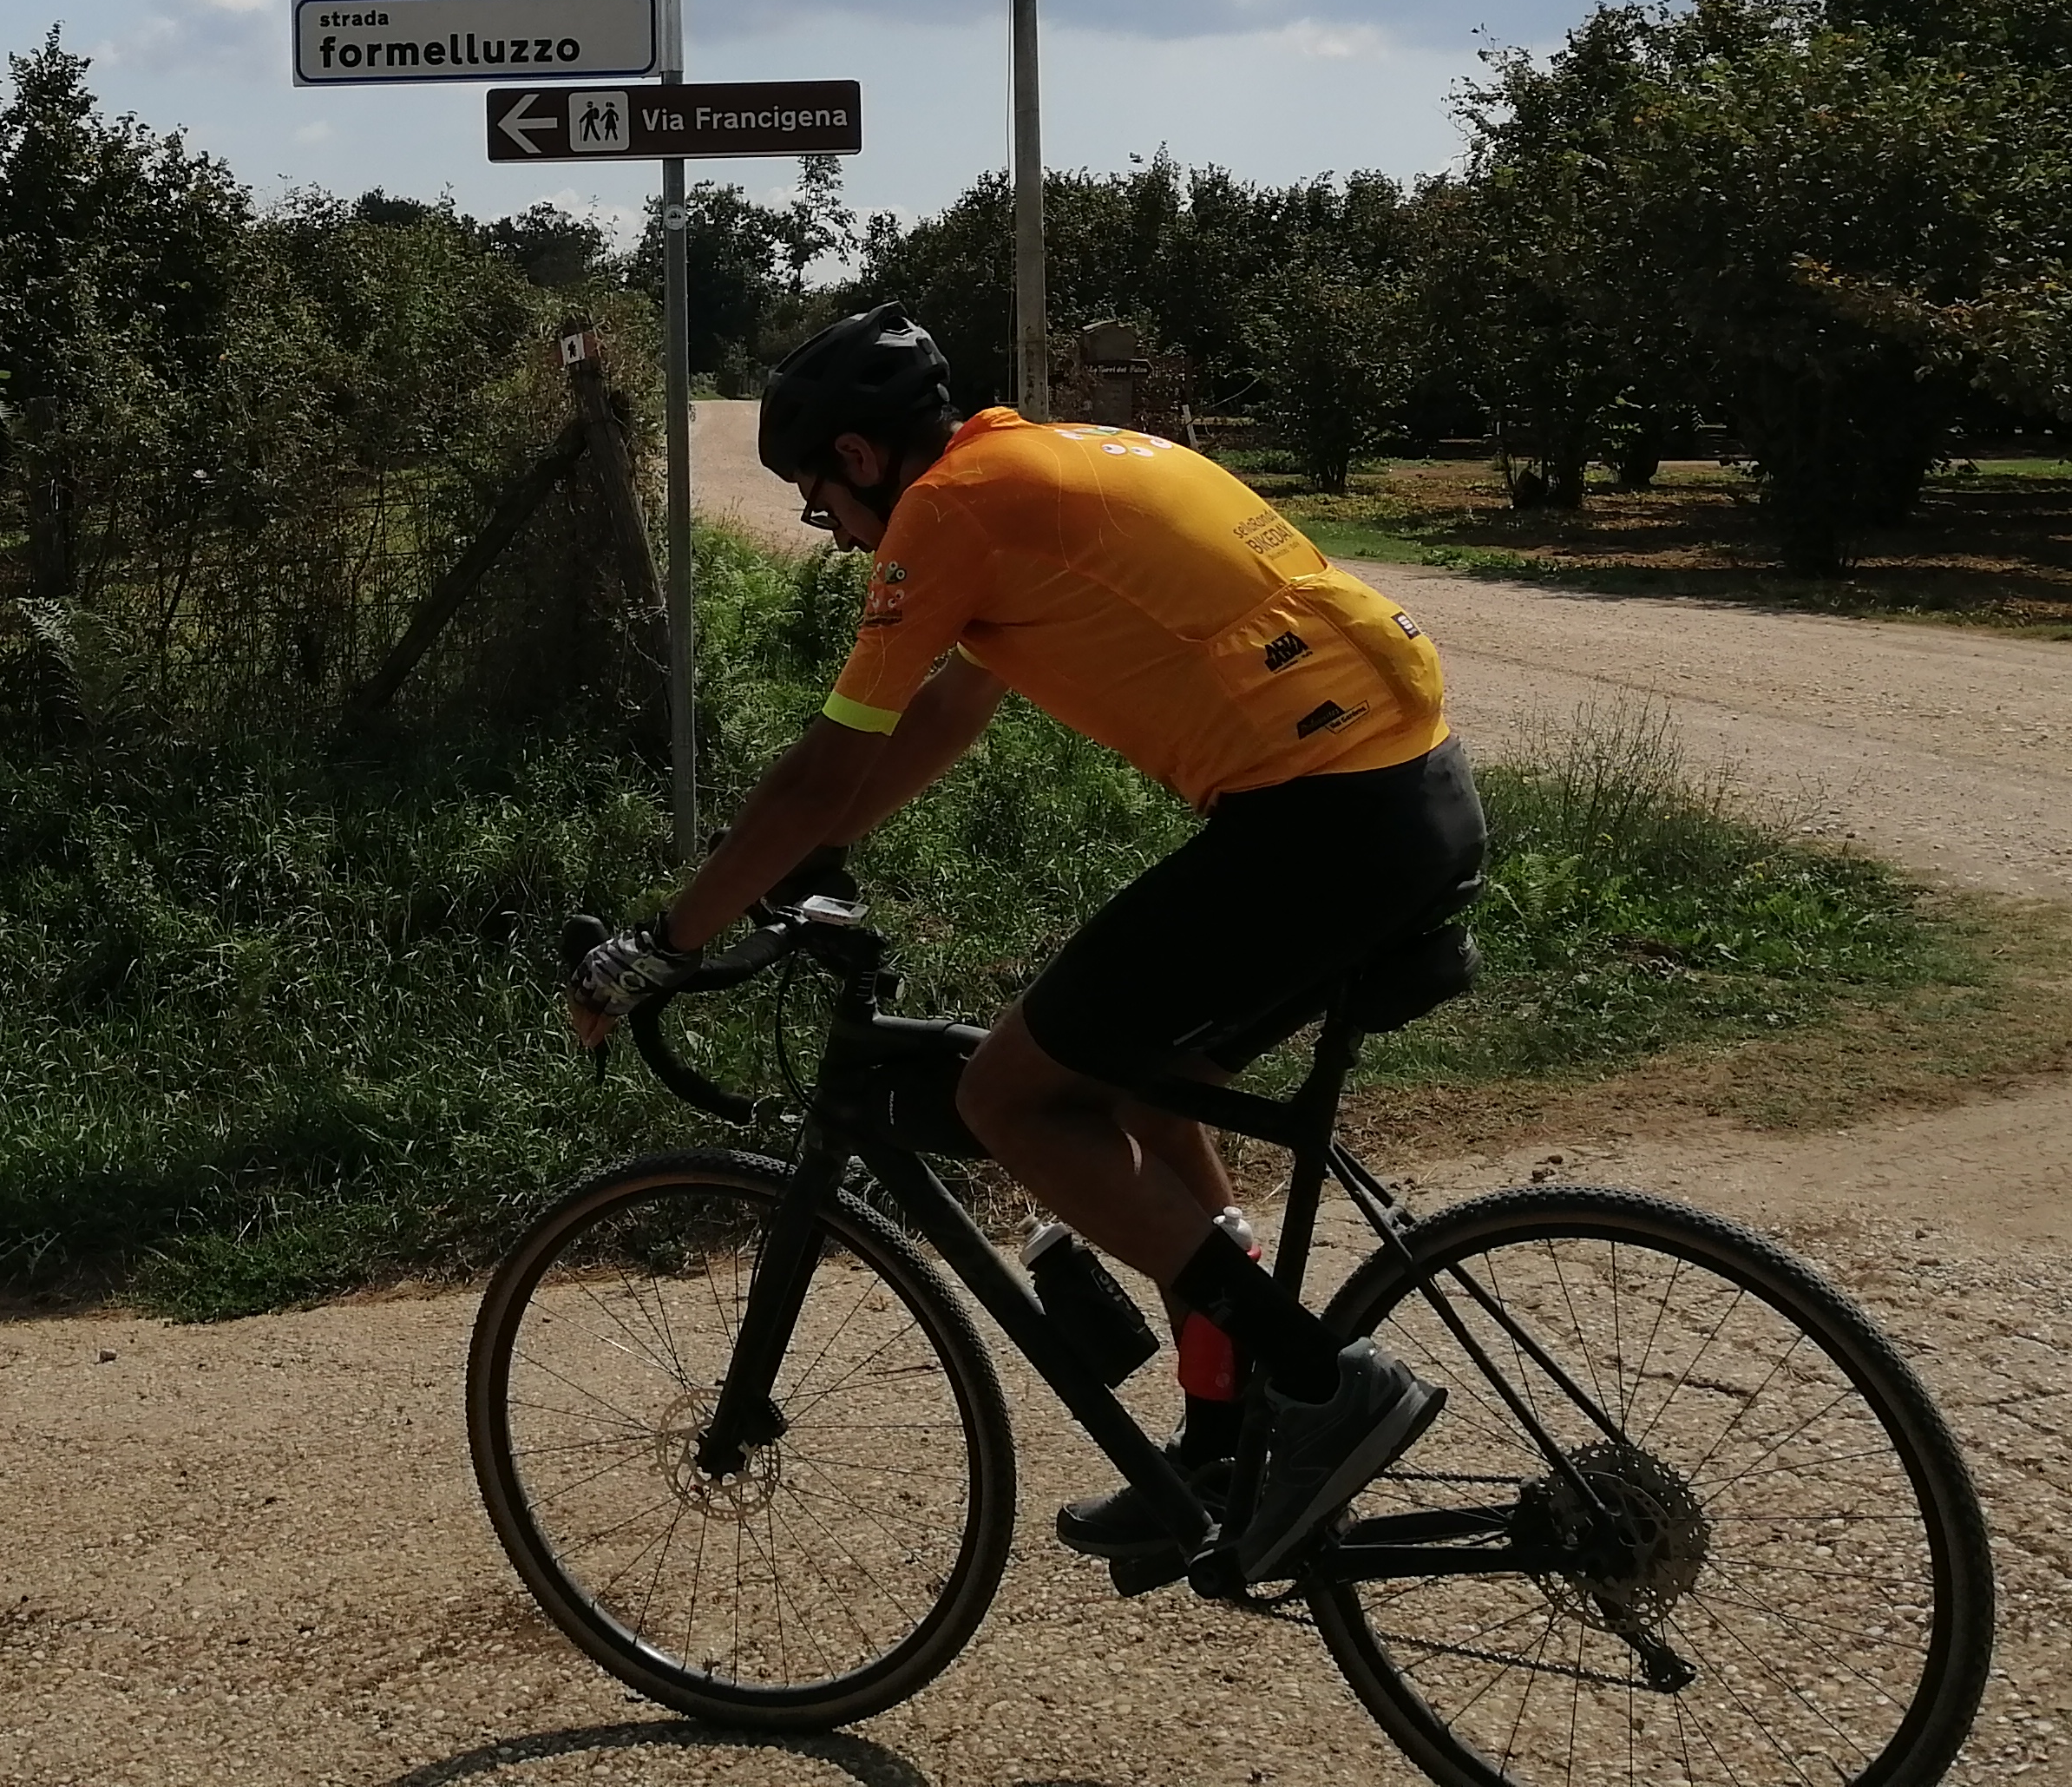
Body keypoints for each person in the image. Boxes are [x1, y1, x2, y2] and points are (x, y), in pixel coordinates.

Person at [568, 303, 1489, 1583]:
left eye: (819, 497)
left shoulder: (952, 511)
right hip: (1406, 796)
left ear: (862, 455)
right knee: (1143, 1083)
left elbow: (823, 770)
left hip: (1318, 822)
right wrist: (813, 859)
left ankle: (1327, 1384)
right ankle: (1227, 1436)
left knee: (1007, 1096)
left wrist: (661, 944)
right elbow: (948, 717)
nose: (828, 526)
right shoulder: (1051, 466)